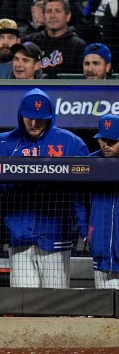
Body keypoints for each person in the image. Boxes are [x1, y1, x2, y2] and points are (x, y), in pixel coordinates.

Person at [0, 88, 89, 288]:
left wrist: (83, 229)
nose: (34, 123)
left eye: (40, 118)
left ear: (50, 116)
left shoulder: (71, 143)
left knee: (56, 301)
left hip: (56, 235)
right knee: (23, 302)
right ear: (20, 115)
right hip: (19, 234)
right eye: (29, 117)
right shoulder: (1, 143)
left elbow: (81, 194)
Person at [82, 114, 119, 289]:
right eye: (103, 139)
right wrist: (86, 232)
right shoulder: (90, 164)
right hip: (101, 248)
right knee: (103, 310)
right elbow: (78, 202)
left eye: (112, 140)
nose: (106, 145)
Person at [25, 0, 87, 77]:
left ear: (68, 16)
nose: (52, 16)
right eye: (48, 11)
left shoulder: (78, 46)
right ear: (44, 16)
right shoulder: (31, 42)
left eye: (58, 11)